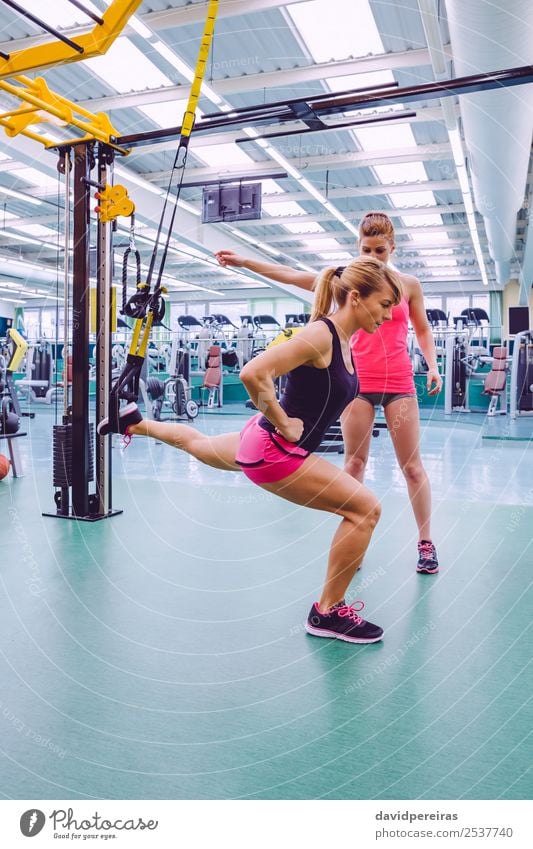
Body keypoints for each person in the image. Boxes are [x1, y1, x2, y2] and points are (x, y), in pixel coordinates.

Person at [98, 257, 402, 644]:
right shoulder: (321, 335)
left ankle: (132, 423)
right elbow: (252, 373)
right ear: (357, 298)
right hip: (276, 450)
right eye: (385, 304)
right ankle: (327, 612)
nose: (389, 315)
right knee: (365, 510)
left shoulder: (342, 339)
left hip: (260, 441)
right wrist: (284, 421)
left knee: (200, 444)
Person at [215, 211, 443, 574]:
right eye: (365, 249)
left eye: (380, 251)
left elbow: (423, 329)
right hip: (358, 385)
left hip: (399, 384)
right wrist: (245, 262)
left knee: (412, 467)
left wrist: (432, 365)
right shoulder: (347, 283)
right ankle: (355, 533)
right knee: (354, 462)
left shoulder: (408, 285)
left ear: (393, 247)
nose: (372, 257)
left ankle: (426, 543)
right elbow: (291, 275)